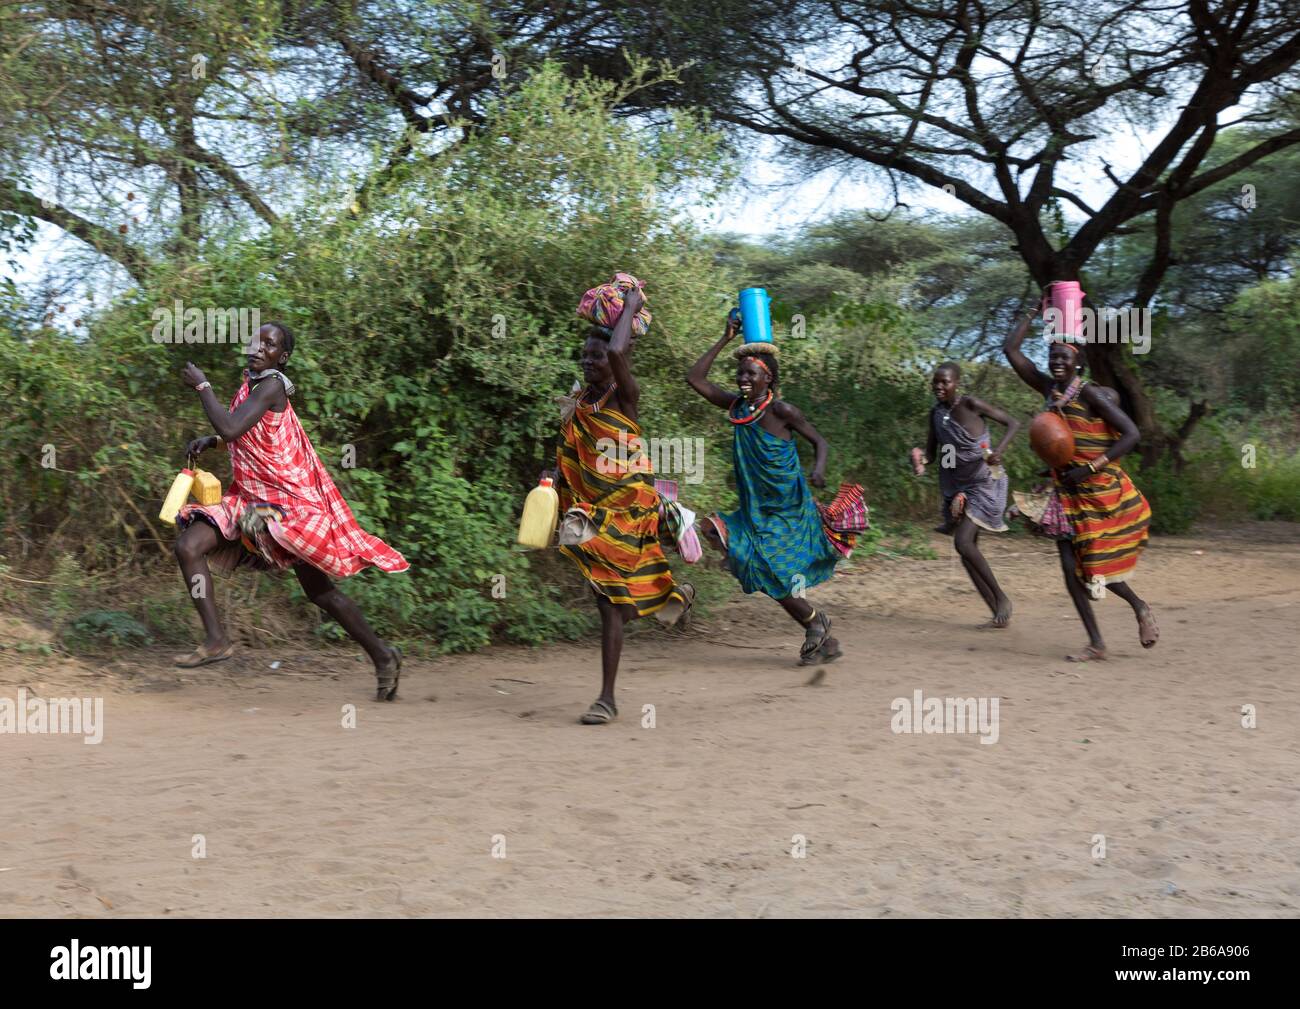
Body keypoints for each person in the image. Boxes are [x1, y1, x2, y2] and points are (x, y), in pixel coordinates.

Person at [174, 322, 409, 698]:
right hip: (253, 498)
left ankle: (383, 656)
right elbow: (252, 434)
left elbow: (234, 427)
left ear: (281, 358)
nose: (257, 348)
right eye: (256, 341)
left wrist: (203, 387)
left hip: (289, 506)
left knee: (321, 593)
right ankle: (216, 639)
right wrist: (213, 441)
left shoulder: (272, 385)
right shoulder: (251, 383)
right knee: (188, 546)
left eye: (268, 345)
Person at [548, 283, 692, 725]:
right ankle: (673, 597)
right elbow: (563, 449)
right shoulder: (579, 400)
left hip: (631, 507)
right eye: (585, 357)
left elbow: (616, 354)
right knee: (607, 596)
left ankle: (607, 699)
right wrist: (547, 483)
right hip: (590, 506)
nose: (591, 361)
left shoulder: (624, 394)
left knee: (607, 601)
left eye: (597, 355)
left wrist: (629, 305)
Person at [686, 313, 862, 669]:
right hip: (755, 509)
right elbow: (695, 379)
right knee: (715, 533)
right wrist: (724, 338)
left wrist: (818, 469)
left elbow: (820, 442)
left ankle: (815, 625)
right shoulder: (736, 406)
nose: (743, 378)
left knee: (769, 569)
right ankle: (815, 623)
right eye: (741, 373)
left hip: (788, 508)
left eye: (752, 373)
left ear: (770, 377)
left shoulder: (782, 410)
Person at [1004, 307, 1159, 660]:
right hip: (1066, 494)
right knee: (1068, 568)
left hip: (1100, 490)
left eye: (1063, 356)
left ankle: (1139, 606)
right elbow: (1011, 351)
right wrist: (1032, 311)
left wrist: (1090, 468)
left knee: (1095, 566)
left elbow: (1132, 433)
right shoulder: (1047, 388)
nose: (1056, 361)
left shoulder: (1090, 395)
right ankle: (1096, 643)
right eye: (1052, 355)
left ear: (1078, 363)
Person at [909, 362, 1019, 628]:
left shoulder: (970, 405)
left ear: (957, 383)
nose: (939, 386)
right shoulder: (935, 414)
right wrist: (919, 459)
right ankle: (997, 613)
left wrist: (999, 450)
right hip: (959, 486)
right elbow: (934, 454)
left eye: (945, 382)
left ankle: (1002, 599)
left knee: (963, 543)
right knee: (968, 551)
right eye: (935, 382)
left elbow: (1013, 423)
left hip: (984, 481)